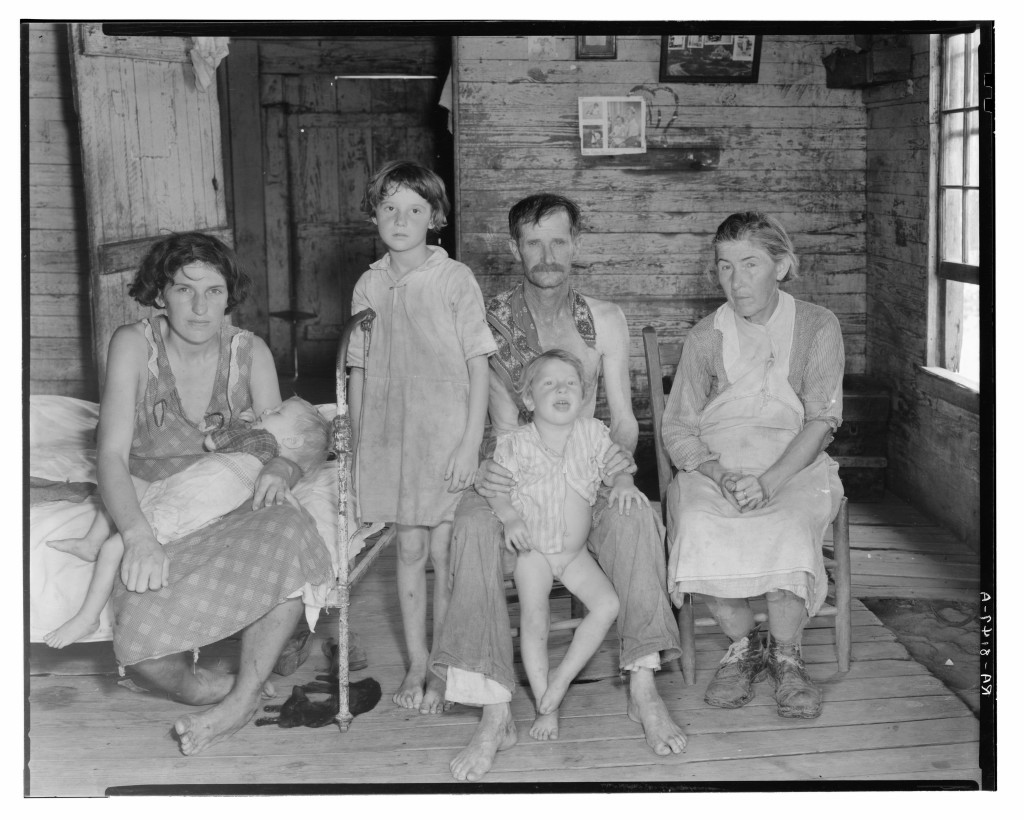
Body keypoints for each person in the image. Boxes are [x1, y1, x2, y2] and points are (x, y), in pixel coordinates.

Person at [430, 193, 685, 782]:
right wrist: (486, 467)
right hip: (509, 468)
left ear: (576, 245)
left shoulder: (605, 319)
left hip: (584, 465)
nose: (546, 254)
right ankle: (495, 710)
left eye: (559, 241)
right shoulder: (486, 318)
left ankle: (642, 684)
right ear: (515, 247)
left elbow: (622, 418)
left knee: (636, 517)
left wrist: (615, 472)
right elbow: (468, 408)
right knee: (469, 529)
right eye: (533, 242)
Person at [95, 231, 335, 756]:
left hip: (230, 498)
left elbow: (281, 442)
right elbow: (110, 455)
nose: (201, 307)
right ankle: (217, 686)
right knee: (146, 658)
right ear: (160, 294)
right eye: (184, 290)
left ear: (230, 295)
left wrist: (281, 470)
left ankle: (237, 703)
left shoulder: (251, 352)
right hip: (164, 508)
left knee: (291, 528)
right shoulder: (133, 345)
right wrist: (136, 536)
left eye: (214, 291)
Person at [662, 211, 845, 719]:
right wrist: (719, 475)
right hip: (718, 463)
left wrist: (768, 482)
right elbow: (678, 427)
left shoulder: (817, 326)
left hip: (793, 460)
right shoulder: (705, 336)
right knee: (698, 521)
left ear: (781, 266)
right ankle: (744, 647)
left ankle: (786, 653)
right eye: (725, 267)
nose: (736, 281)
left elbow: (823, 419)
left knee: (787, 521)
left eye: (750, 264)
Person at [347, 160, 496, 714]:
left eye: (414, 209)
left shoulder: (455, 279)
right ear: (374, 216)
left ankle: (444, 665)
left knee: (443, 550)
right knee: (407, 547)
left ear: (435, 217)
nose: (401, 218)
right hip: (391, 438)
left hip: (444, 435)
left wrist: (468, 444)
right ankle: (416, 658)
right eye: (389, 208)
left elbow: (479, 364)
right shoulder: (369, 283)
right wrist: (363, 444)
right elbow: (357, 369)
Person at [43, 396, 331, 649]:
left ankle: (87, 617)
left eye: (277, 413)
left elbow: (211, 441)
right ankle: (90, 544)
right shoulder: (265, 459)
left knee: (113, 548)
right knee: (119, 484)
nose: (266, 411)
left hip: (177, 511)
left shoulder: (262, 442)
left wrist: (241, 425)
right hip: (171, 492)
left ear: (291, 441)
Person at [488, 350, 649, 741]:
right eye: (549, 384)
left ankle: (561, 678)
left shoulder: (593, 433)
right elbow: (497, 491)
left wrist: (624, 484)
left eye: (570, 384)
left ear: (582, 394)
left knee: (608, 604)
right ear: (528, 400)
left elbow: (618, 467)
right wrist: (509, 517)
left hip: (575, 555)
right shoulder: (515, 444)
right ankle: (547, 705)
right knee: (535, 618)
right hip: (535, 554)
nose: (562, 389)